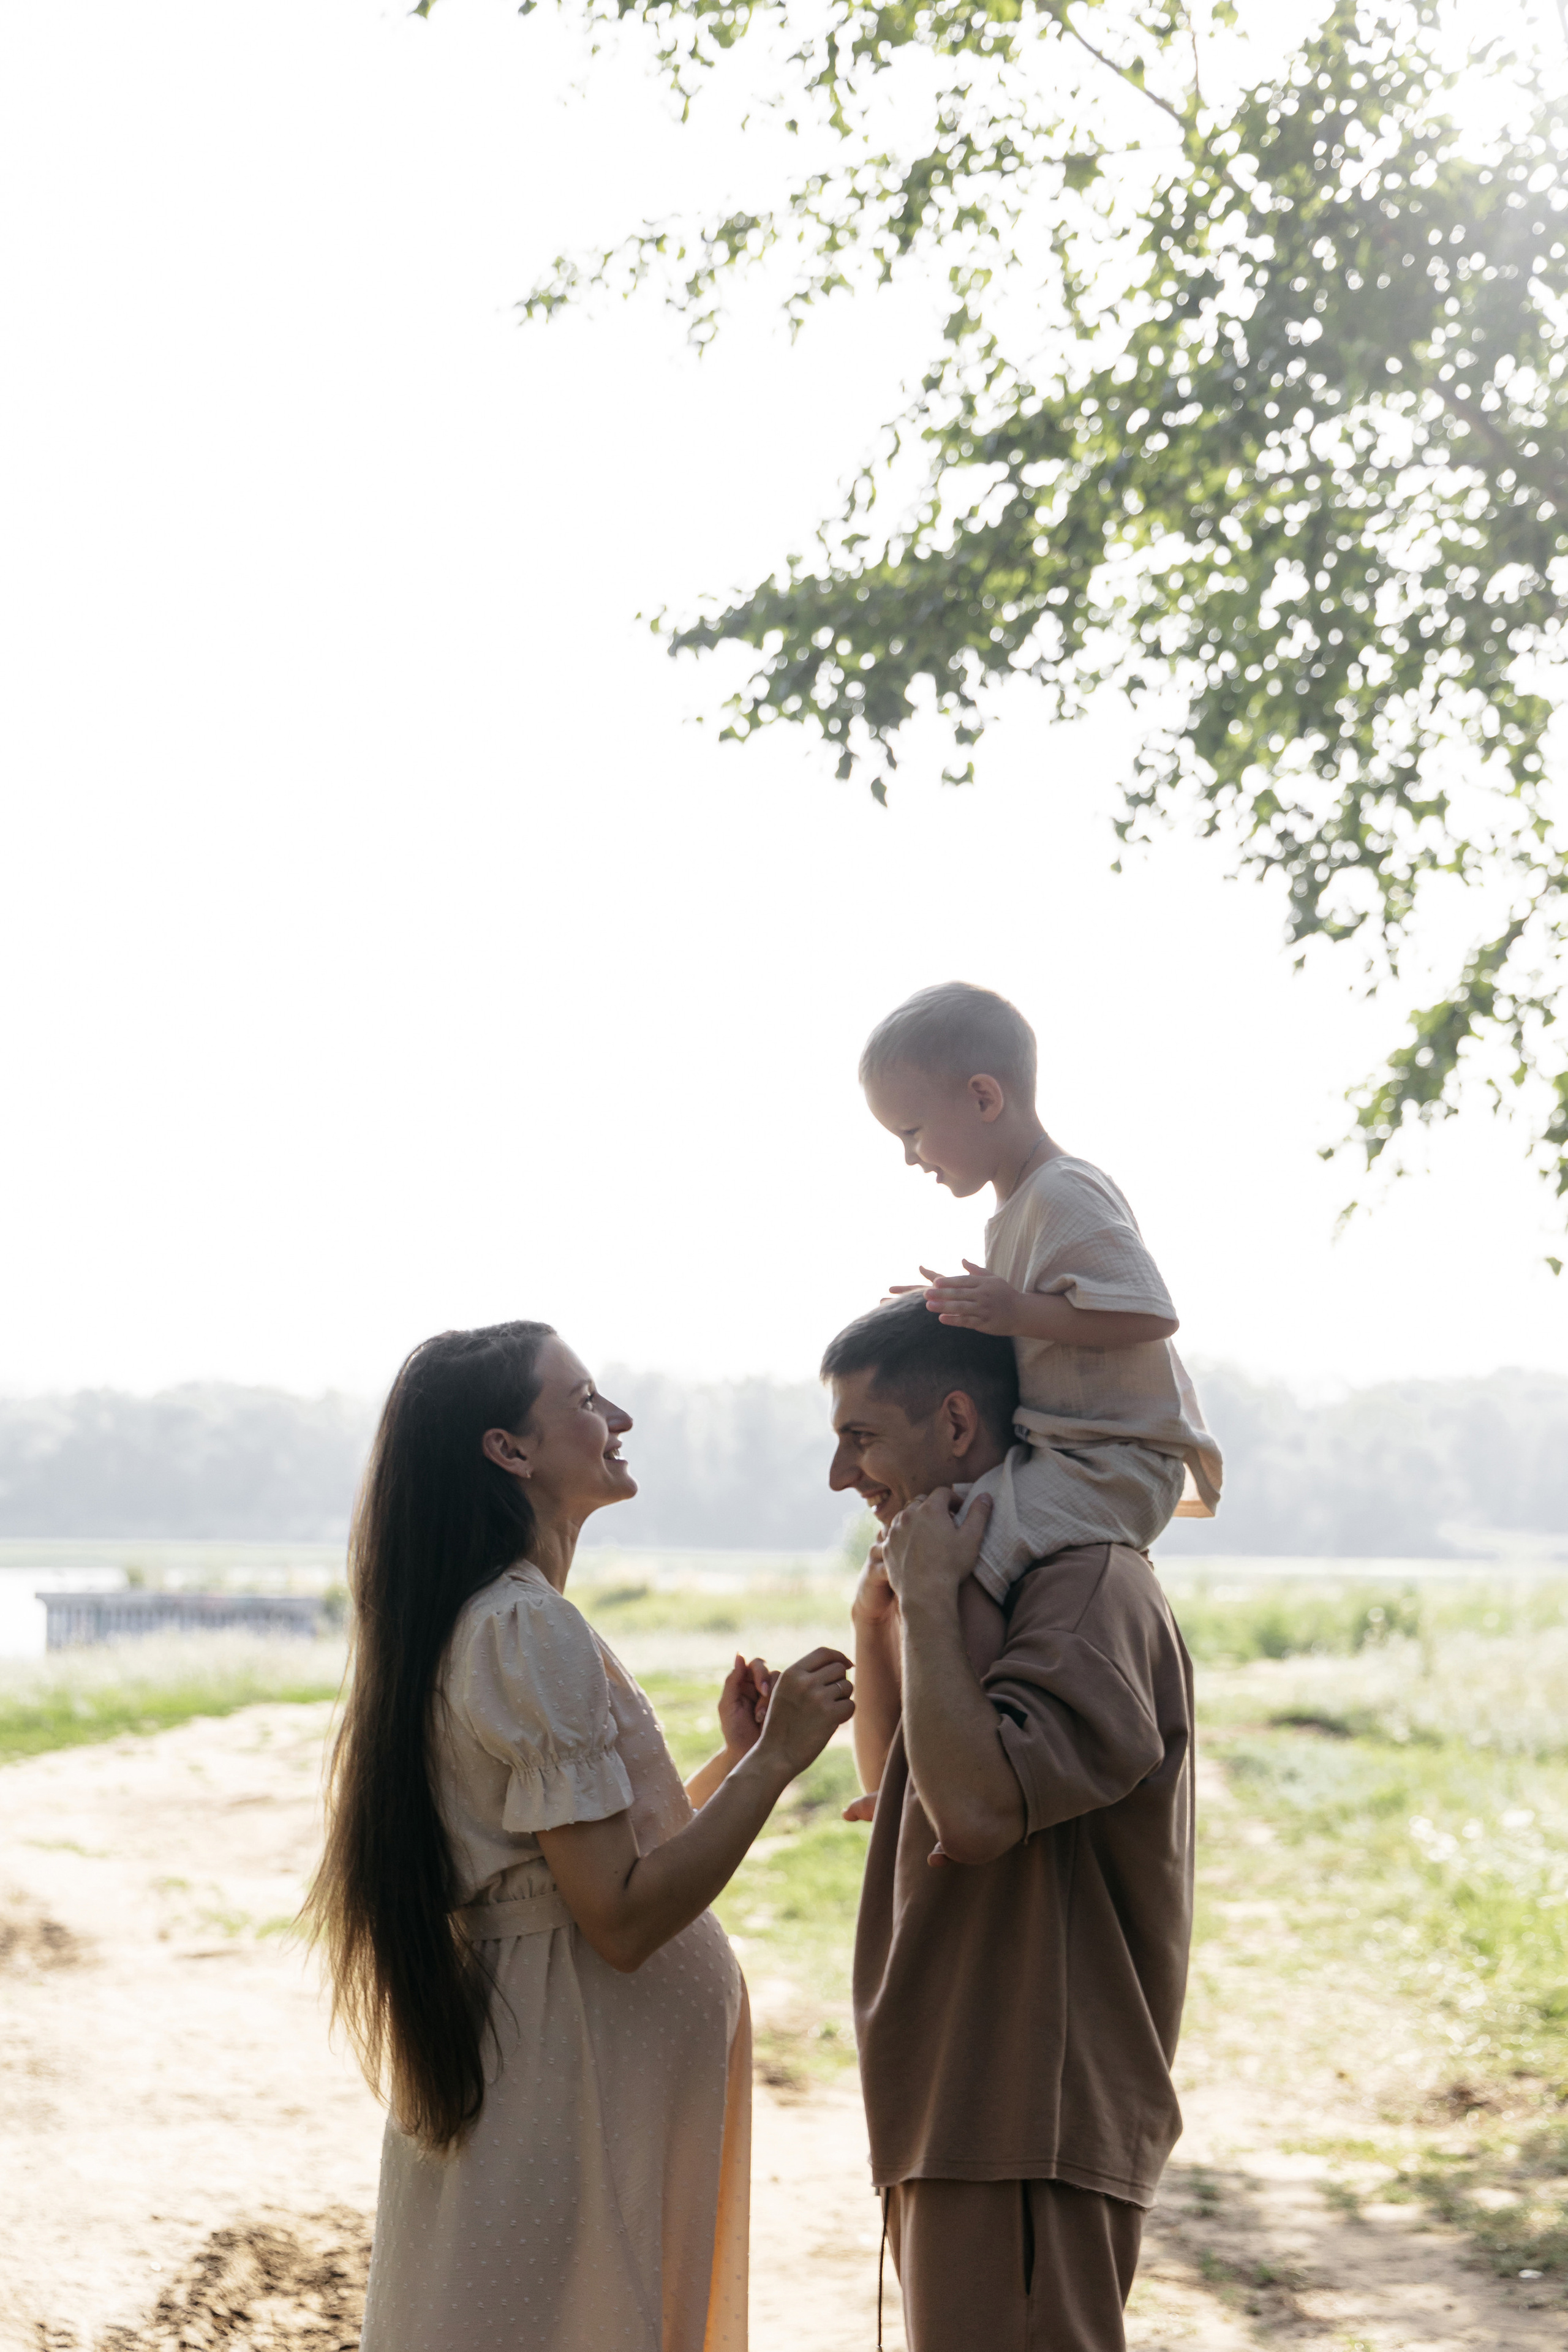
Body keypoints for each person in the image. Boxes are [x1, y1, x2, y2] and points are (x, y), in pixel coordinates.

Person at [306, 1319, 853, 2352]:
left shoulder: (501, 1619)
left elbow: (581, 1873)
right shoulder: (525, 1627)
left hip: (578, 2065)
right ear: (508, 1450)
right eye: (587, 1399)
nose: (620, 1419)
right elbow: (618, 1916)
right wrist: (781, 1758)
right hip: (576, 2079)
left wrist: (735, 1760)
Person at [824, 1292, 1195, 2352]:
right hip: (962, 2110)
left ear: (954, 1424)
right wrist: (885, 1619)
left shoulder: (1083, 1587)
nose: (843, 1476)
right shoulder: (983, 1580)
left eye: (861, 1437)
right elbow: (918, 1789)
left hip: (1026, 2118)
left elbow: (979, 1815)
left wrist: (934, 1600)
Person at [859, 979, 1223, 1603]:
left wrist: (1013, 1309)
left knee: (961, 1555)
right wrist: (947, 1311)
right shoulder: (1019, 1203)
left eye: (912, 1132)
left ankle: (984, 1702)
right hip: (1061, 1459)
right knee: (927, 1528)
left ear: (982, 1097)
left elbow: (1149, 1313)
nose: (909, 1158)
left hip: (1113, 1465)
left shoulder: (1062, 1190)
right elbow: (1035, 1329)